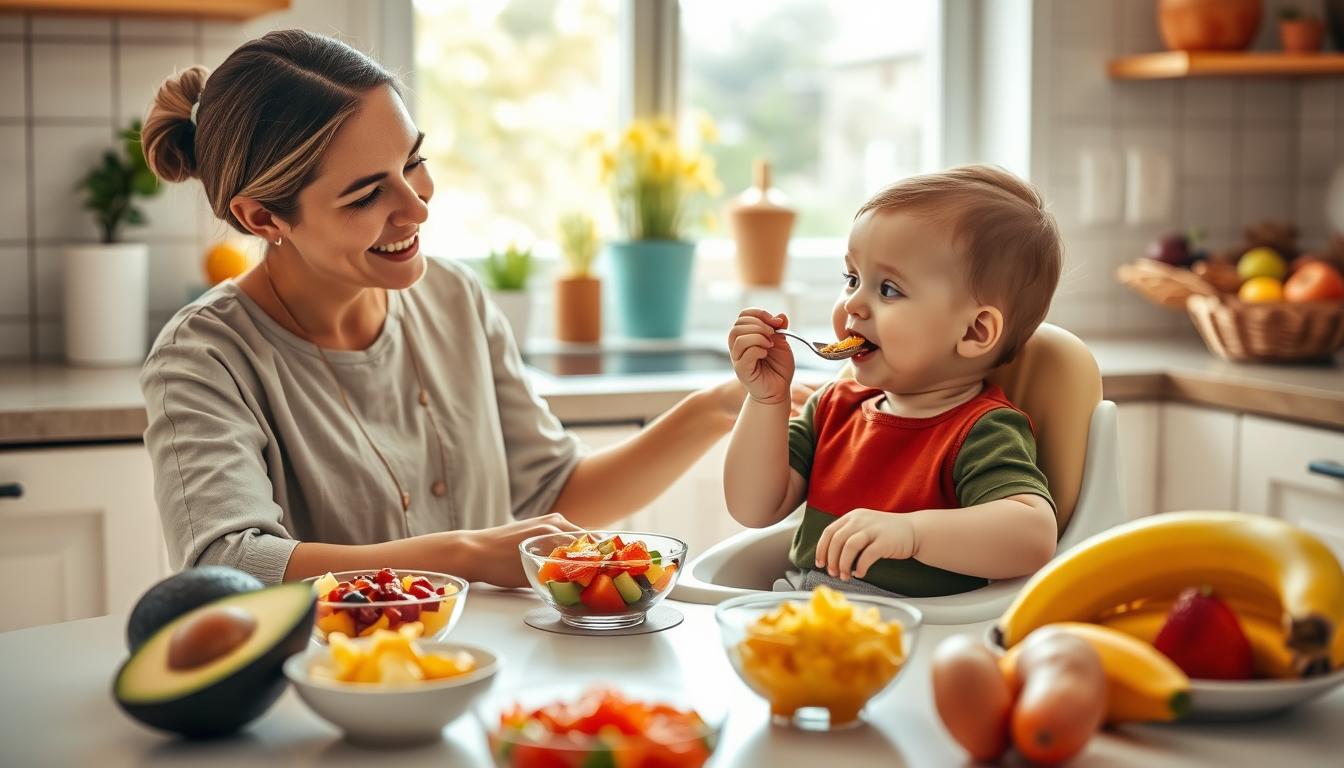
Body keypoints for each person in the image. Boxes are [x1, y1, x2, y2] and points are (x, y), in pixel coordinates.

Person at [139, 29, 791, 588]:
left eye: (413, 161)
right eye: (367, 195)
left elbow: (558, 493)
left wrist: (719, 408)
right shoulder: (203, 356)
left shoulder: (453, 298)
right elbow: (226, 567)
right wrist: (469, 555)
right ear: (263, 216)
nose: (417, 206)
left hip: (480, 676)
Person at [723, 165, 1062, 597]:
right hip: (808, 620)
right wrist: (766, 400)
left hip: (913, 636)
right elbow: (752, 507)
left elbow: (1032, 535)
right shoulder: (834, 407)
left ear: (975, 332)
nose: (853, 305)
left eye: (888, 289)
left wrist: (913, 534)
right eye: (851, 279)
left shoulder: (981, 430)